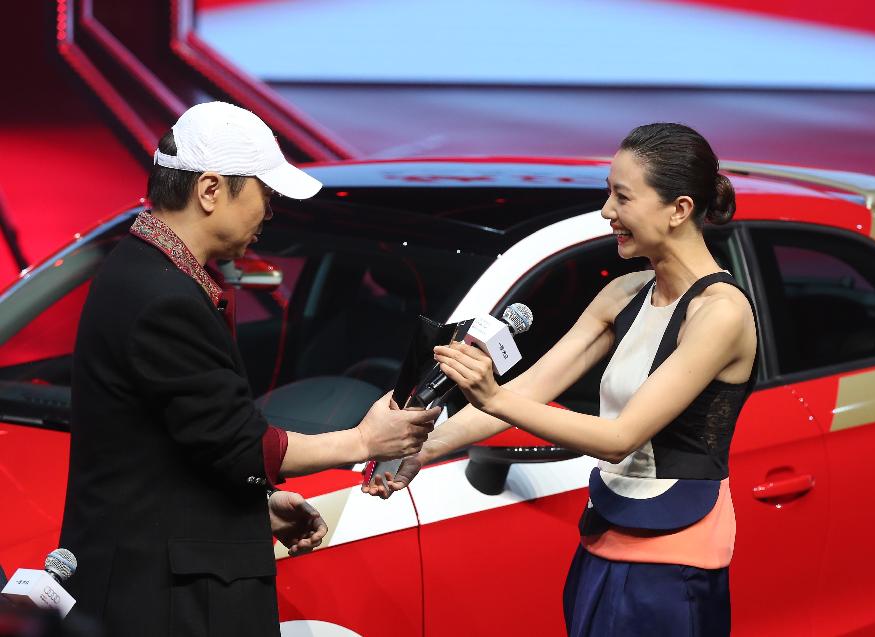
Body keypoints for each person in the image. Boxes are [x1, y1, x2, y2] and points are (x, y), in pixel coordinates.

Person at [59, 101, 440, 637]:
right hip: (167, 603)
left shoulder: (140, 268)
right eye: (265, 192)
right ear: (211, 191)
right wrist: (365, 440)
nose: (269, 211)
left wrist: (251, 508)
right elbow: (242, 446)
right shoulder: (164, 295)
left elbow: (180, 447)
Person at [365, 123, 758, 636]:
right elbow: (532, 389)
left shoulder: (721, 313)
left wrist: (494, 395)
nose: (607, 212)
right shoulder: (623, 294)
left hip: (676, 558)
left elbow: (620, 438)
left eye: (621, 196)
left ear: (679, 209)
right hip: (603, 537)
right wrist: (425, 450)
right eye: (608, 194)